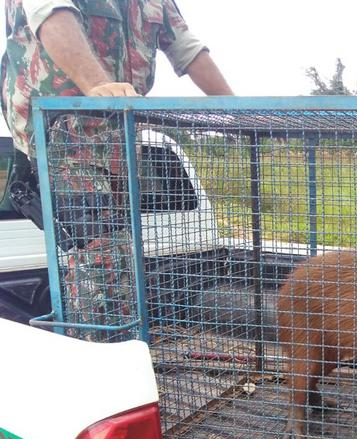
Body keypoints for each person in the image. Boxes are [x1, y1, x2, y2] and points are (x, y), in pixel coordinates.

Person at [1, 0, 233, 340]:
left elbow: (187, 49)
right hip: (62, 128)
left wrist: (233, 112)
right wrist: (97, 85)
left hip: (120, 132)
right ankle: (100, 358)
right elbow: (52, 16)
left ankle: (123, 348)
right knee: (97, 255)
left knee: (122, 253)